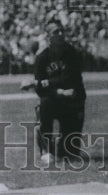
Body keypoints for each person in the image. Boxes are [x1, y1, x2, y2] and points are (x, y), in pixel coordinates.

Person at [33, 21, 87, 166]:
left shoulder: (72, 53)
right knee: (44, 104)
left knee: (70, 153)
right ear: (48, 36)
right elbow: (39, 89)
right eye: (56, 32)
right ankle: (46, 150)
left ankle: (65, 146)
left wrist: (48, 82)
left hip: (73, 99)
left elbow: (71, 78)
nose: (60, 34)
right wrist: (59, 91)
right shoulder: (42, 57)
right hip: (55, 98)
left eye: (62, 31)